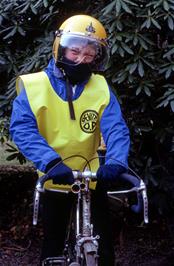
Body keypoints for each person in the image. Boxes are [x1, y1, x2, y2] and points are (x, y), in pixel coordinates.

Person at [10, 15, 130, 266]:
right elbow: (22, 129)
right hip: (54, 175)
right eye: (75, 51)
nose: (81, 59)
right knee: (52, 246)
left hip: (93, 177)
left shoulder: (101, 86)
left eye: (89, 55)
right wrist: (50, 162)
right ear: (60, 48)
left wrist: (117, 161)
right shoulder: (34, 85)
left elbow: (115, 127)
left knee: (104, 248)